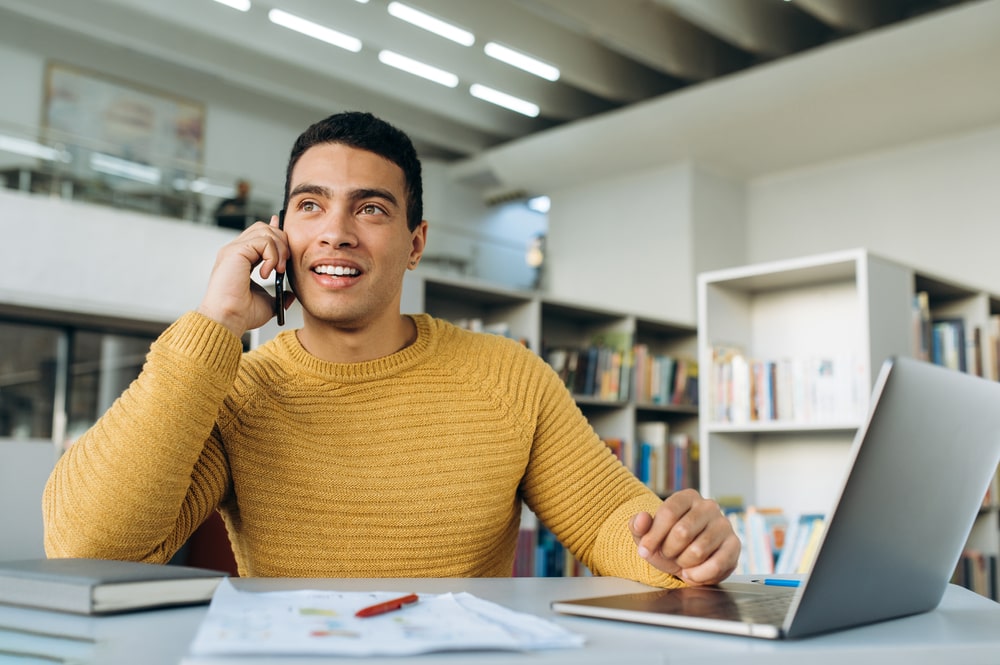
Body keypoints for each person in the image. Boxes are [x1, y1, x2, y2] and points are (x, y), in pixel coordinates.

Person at [43, 112, 740, 587]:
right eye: (310, 205)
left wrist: (685, 546)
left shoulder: (508, 376)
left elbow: (613, 524)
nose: (336, 231)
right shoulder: (237, 391)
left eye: (370, 208)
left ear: (414, 243)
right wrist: (217, 321)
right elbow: (86, 547)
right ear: (280, 229)